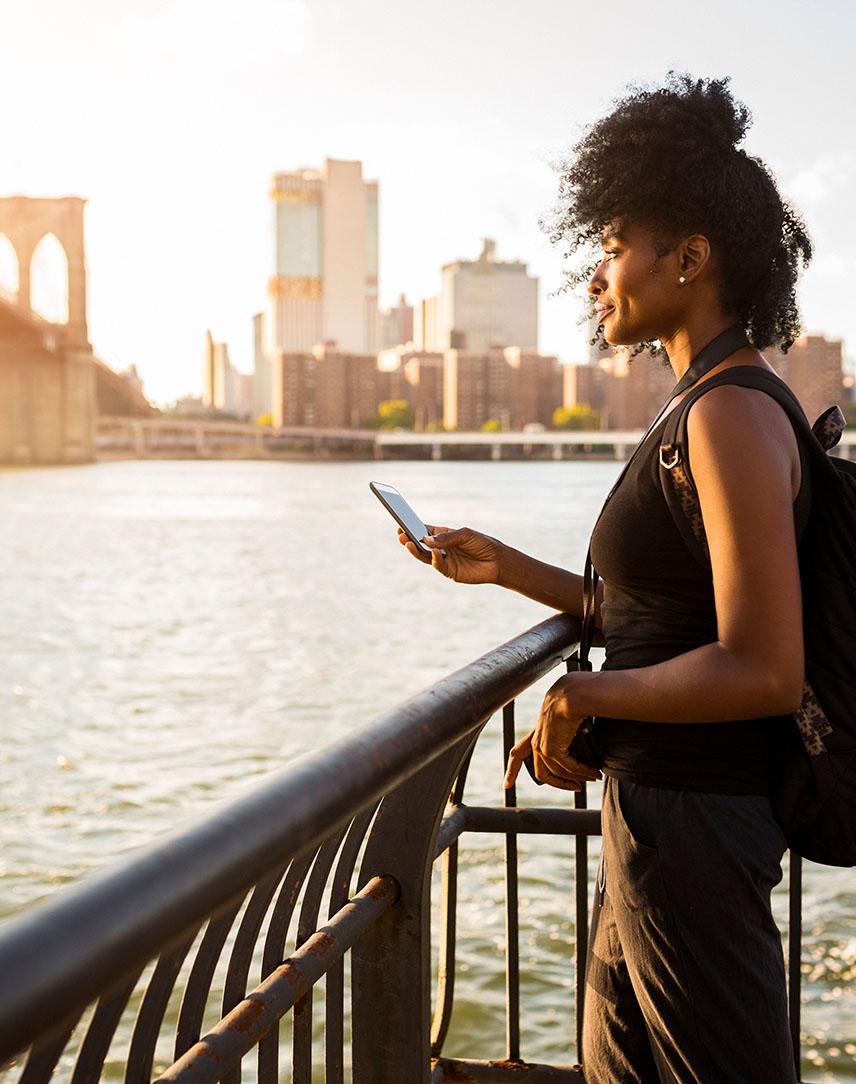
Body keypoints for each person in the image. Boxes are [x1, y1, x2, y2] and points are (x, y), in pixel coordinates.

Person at [398, 74, 812, 1083]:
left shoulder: (728, 415)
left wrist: (583, 690)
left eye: (615, 242)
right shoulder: (697, 408)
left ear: (690, 258)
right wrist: (509, 570)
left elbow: (764, 665)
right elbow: (664, 614)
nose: (598, 271)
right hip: (656, 820)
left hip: (697, 830)